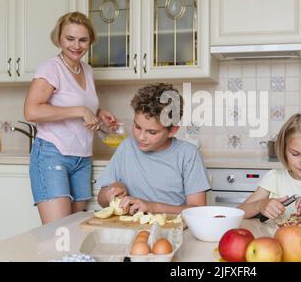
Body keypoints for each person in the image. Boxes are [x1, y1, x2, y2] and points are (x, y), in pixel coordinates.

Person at [24, 12, 117, 224]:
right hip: (52, 155)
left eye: (83, 40)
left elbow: (79, 102)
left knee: (74, 230)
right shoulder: (51, 68)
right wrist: (80, 111)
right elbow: (32, 111)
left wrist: (99, 113)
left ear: (90, 41)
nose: (76, 45)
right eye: (70, 38)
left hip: (82, 159)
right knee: (58, 233)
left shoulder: (87, 70)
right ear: (59, 38)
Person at [97, 83, 210, 215]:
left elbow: (198, 210)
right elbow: (101, 199)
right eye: (137, 127)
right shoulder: (126, 147)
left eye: (152, 132)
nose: (141, 137)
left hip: (172, 229)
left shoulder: (188, 154)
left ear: (172, 131)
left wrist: (153, 207)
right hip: (131, 227)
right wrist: (111, 191)